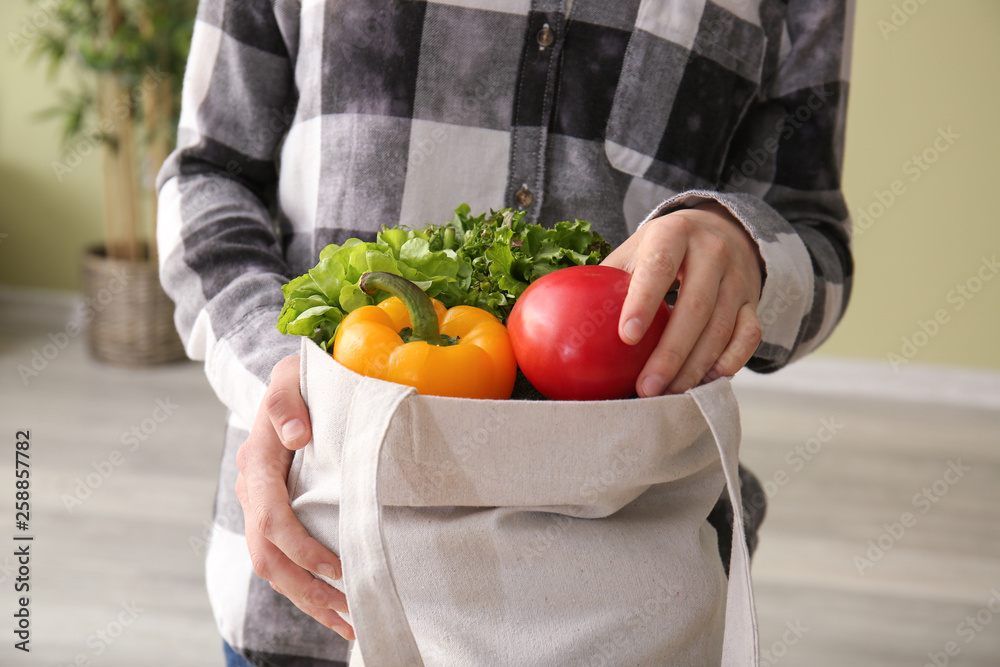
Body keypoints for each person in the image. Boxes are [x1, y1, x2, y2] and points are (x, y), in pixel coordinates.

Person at [157, 1, 855, 664]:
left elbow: (816, 239)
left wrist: (746, 247)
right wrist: (283, 384)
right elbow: (211, 174)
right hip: (324, 591)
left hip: (626, 604)